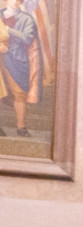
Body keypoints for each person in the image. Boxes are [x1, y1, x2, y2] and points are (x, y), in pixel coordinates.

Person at [0, 0, 41, 136]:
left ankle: (21, 127)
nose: (14, 1)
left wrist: (9, 30)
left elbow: (27, 38)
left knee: (19, 93)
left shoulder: (27, 18)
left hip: (16, 59)